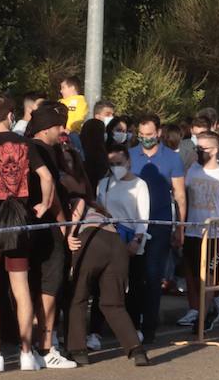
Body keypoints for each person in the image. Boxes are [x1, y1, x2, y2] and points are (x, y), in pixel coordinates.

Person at [0, 95, 55, 373]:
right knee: (21, 287)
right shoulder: (26, 144)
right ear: (10, 115)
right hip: (19, 221)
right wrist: (44, 205)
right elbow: (47, 178)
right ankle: (27, 352)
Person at [63, 196, 151, 366]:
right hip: (117, 245)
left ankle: (78, 351)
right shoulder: (101, 209)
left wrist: (70, 234)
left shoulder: (77, 199)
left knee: (77, 298)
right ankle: (137, 350)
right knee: (113, 304)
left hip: (92, 241)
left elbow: (79, 205)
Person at [25, 105, 78, 369]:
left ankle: (33, 346)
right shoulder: (43, 150)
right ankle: (46, 347)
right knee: (49, 288)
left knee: (34, 287)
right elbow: (54, 192)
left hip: (28, 227)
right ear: (47, 128)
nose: (63, 131)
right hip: (47, 228)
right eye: (60, 126)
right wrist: (63, 225)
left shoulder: (24, 146)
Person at [129, 114, 186, 343]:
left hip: (160, 225)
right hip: (134, 225)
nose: (146, 139)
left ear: (159, 133)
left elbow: (180, 195)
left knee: (154, 277)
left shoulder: (172, 158)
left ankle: (149, 327)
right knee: (135, 277)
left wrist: (180, 227)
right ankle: (132, 325)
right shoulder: (131, 155)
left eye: (150, 135)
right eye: (142, 136)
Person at [180, 131, 219, 331]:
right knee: (196, 277)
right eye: (197, 148)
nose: (199, 152)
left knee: (209, 277)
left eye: (203, 149)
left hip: (217, 236)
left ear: (215, 150)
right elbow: (183, 198)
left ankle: (202, 319)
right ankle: (214, 309)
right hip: (193, 233)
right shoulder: (192, 171)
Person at [99, 141, 151, 334]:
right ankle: (102, 328)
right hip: (109, 241)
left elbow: (142, 217)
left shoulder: (140, 185)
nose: (115, 168)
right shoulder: (104, 184)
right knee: (109, 286)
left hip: (132, 242)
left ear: (128, 161)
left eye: (119, 163)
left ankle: (134, 326)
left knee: (134, 287)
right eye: (111, 164)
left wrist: (136, 241)